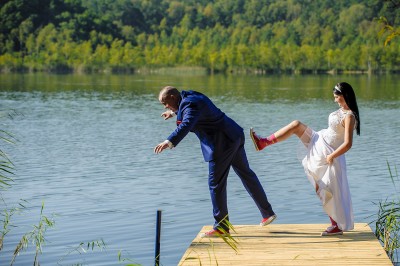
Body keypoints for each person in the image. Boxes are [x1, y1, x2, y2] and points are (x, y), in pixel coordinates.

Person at [154, 86, 276, 237]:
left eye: (165, 103)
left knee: (216, 184)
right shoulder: (190, 96)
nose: (165, 106)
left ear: (173, 97)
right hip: (234, 135)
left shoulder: (190, 105)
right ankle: (267, 212)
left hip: (221, 144)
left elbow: (186, 124)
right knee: (246, 174)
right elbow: (186, 110)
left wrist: (169, 141)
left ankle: (221, 227)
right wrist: (173, 112)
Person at [250, 82, 360, 236]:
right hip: (320, 139)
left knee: (324, 188)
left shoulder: (349, 116)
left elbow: (348, 144)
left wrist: (331, 156)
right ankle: (263, 142)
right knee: (296, 125)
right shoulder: (342, 110)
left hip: (329, 151)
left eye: (337, 98)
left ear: (345, 95)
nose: (335, 101)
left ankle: (336, 225)